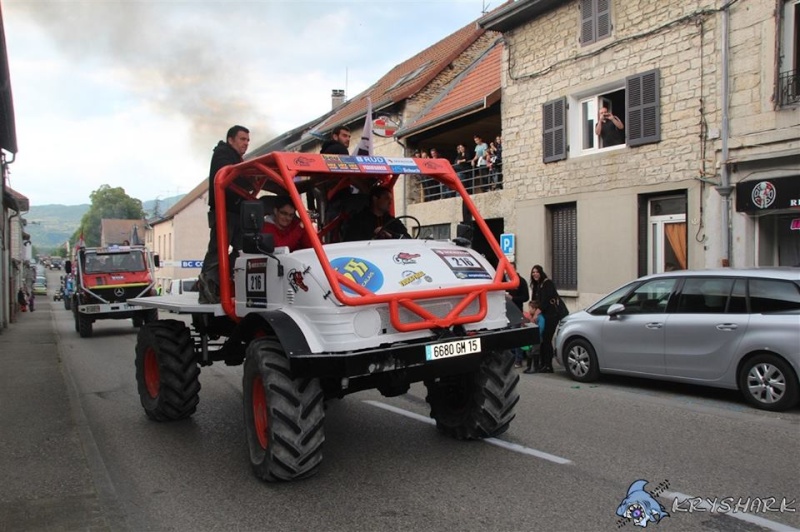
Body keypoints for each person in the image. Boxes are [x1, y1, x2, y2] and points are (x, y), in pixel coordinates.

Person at [198, 125, 251, 304]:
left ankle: (224, 282)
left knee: (242, 249)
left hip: (235, 211)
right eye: (243, 139)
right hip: (224, 211)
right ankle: (208, 289)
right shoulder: (223, 154)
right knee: (217, 251)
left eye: (248, 140)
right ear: (231, 139)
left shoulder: (235, 158)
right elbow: (230, 175)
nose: (246, 143)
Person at [524, 264, 559, 374]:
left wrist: (536, 314)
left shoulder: (547, 283)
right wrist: (531, 313)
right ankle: (541, 364)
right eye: (533, 272)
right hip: (542, 316)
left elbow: (545, 301)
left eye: (537, 272)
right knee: (541, 340)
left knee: (547, 340)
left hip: (551, 315)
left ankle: (548, 365)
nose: (535, 274)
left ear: (541, 272)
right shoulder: (536, 285)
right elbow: (534, 301)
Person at [343, 186, 410, 241]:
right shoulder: (358, 221)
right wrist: (374, 235)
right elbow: (350, 242)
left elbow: (408, 240)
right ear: (375, 199)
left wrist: (391, 235)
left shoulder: (394, 222)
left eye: (391, 200)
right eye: (386, 198)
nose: (390, 203)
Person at [506, 262, 529, 367]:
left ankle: (518, 360)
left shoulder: (521, 281)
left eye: (511, 269)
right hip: (506, 312)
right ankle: (510, 360)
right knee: (508, 337)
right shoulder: (506, 281)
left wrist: (513, 298)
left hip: (517, 312)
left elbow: (526, 297)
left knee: (516, 337)